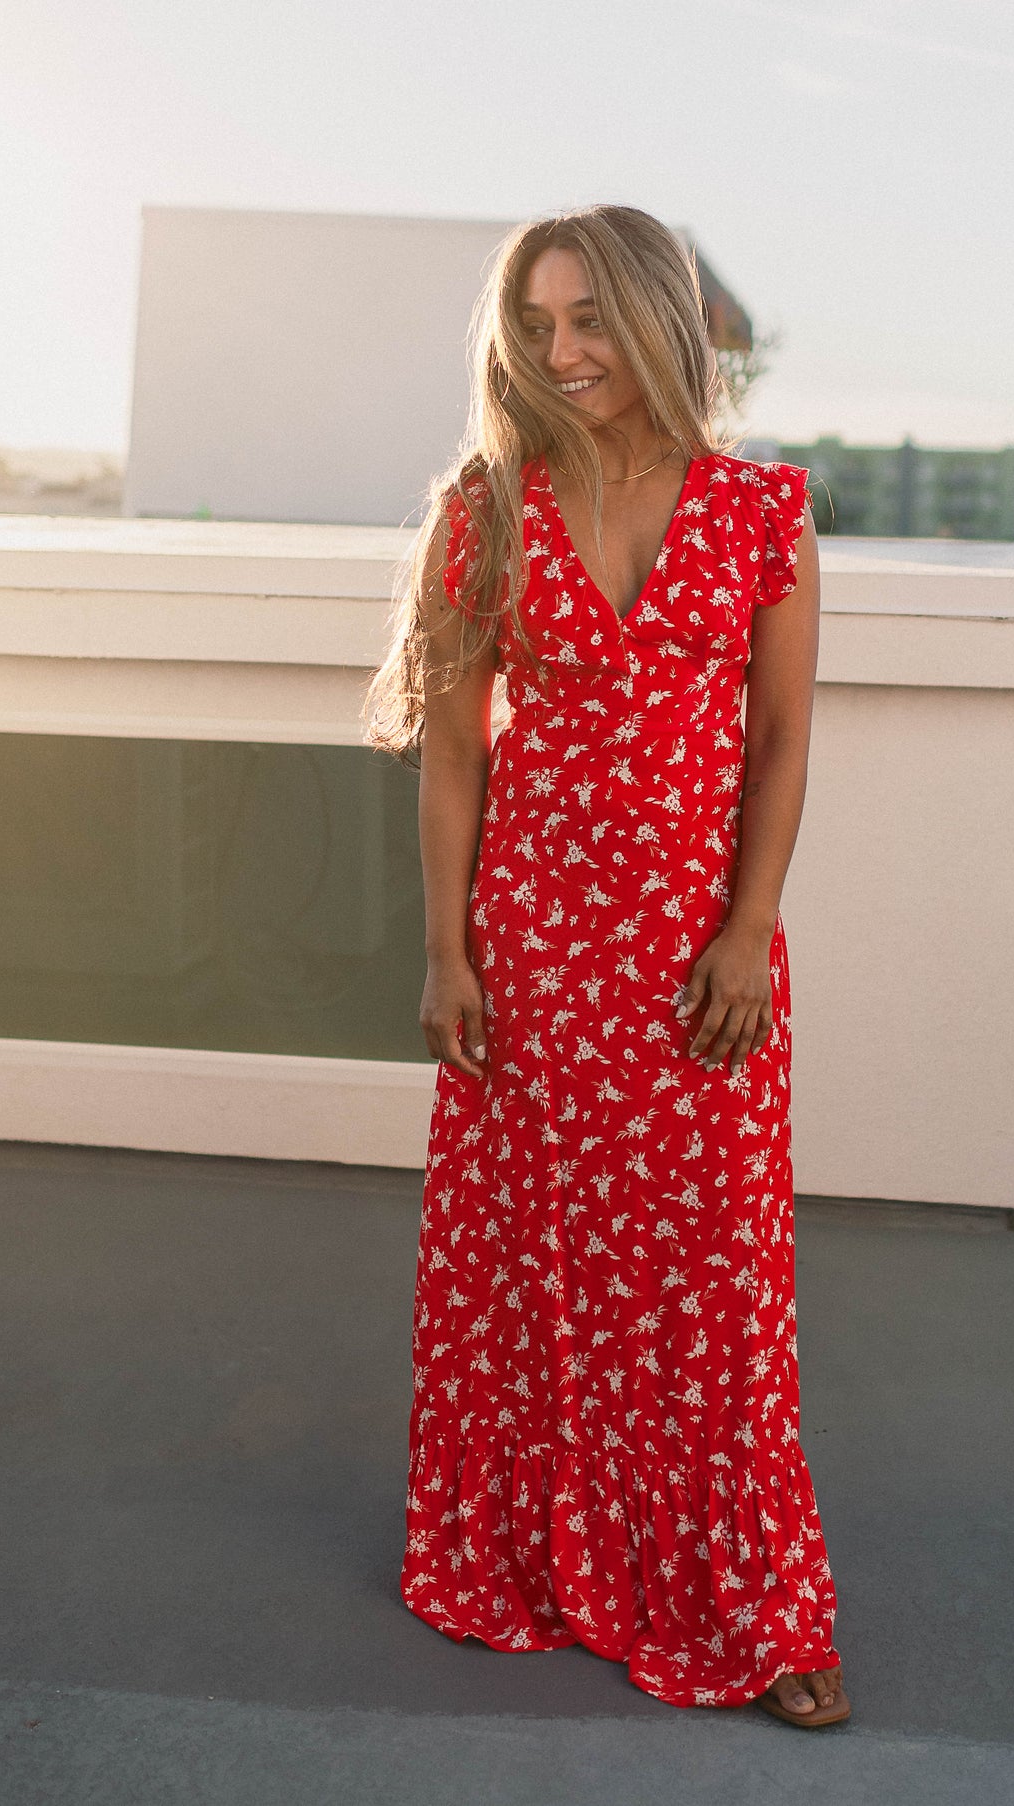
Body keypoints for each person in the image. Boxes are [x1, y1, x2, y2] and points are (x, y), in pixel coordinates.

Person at [363, 204, 849, 1727]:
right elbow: (452, 755)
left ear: (659, 324)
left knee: (714, 1291)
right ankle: (530, 1558)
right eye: (540, 324)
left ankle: (755, 1605)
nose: (561, 352)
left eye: (589, 320)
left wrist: (748, 925)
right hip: (531, 957)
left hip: (696, 966)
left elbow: (777, 744)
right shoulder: (485, 507)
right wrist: (447, 951)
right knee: (534, 1281)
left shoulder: (762, 510)